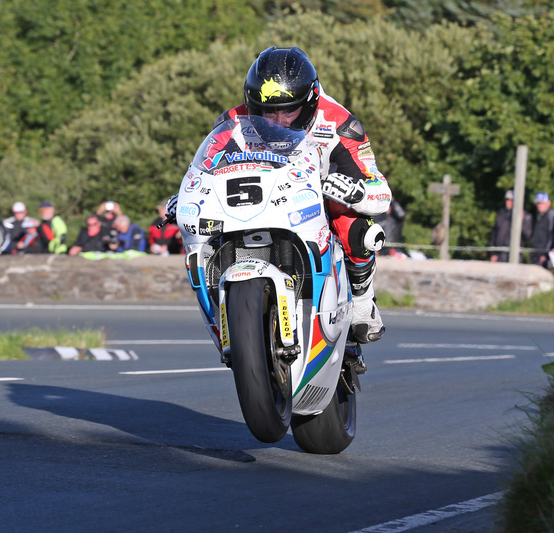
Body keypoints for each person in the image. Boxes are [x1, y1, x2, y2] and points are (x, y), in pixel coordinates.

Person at [167, 47, 391, 343]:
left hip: (315, 198)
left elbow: (380, 191)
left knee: (354, 219)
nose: (279, 120)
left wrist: (356, 190)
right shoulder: (233, 121)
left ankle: (362, 301)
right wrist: (187, 196)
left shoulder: (340, 123)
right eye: (268, 110)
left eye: (289, 109)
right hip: (259, 200)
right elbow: (203, 168)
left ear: (310, 102)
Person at [489, 190, 532, 263]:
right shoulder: (501, 213)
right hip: (500, 253)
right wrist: (493, 253)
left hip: (515, 254)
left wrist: (522, 221)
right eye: (507, 200)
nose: (508, 202)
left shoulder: (524, 215)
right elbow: (495, 234)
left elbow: (527, 235)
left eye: (511, 200)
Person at [529, 192, 554, 269]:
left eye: (542, 203)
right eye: (538, 203)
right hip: (536, 253)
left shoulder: (551, 215)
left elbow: (552, 235)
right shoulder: (539, 215)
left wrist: (545, 254)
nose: (539, 205)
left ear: (548, 203)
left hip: (543, 255)